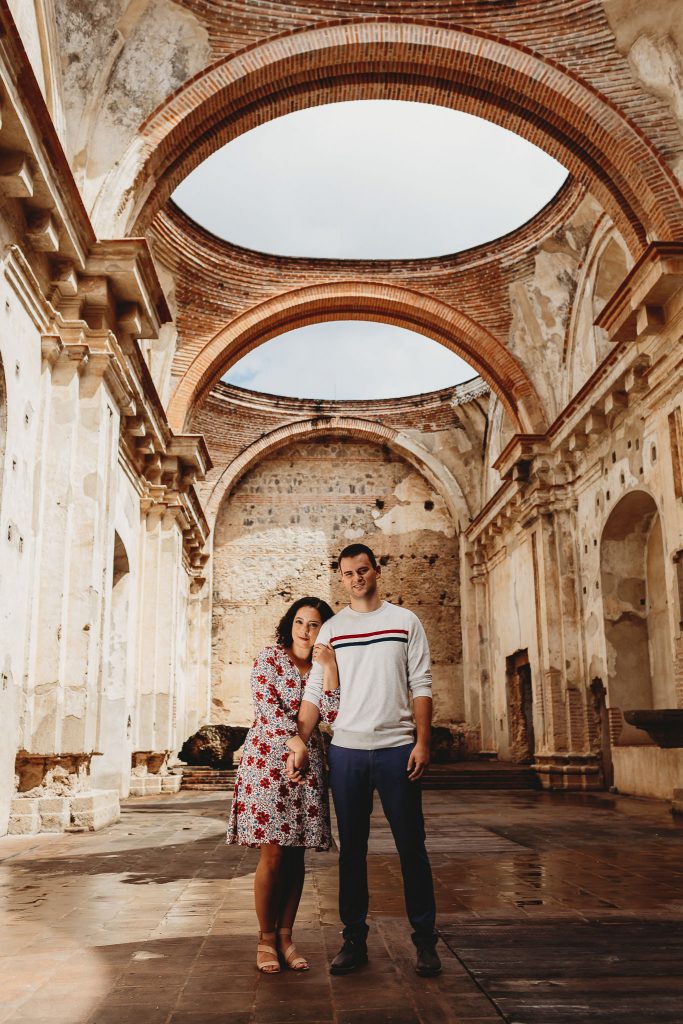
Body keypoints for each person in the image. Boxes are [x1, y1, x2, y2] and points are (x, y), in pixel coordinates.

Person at [287, 543, 441, 978]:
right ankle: (354, 940)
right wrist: (299, 739)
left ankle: (425, 942)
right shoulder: (332, 629)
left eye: (363, 570)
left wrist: (422, 741)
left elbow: (422, 683)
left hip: (397, 749)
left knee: (412, 847)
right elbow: (314, 692)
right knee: (351, 851)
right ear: (341, 578)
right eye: (348, 573)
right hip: (348, 752)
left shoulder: (404, 621)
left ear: (377, 571)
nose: (357, 578)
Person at [227, 597, 340, 974]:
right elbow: (267, 707)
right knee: (272, 854)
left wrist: (331, 666)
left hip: (308, 766)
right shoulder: (268, 659)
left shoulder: (325, 666)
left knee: (295, 855)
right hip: (267, 760)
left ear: (324, 629)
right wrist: (294, 743)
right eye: (300, 623)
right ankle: (264, 939)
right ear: (289, 625)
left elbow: (337, 711)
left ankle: (287, 937)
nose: (306, 631)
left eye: (314, 625)